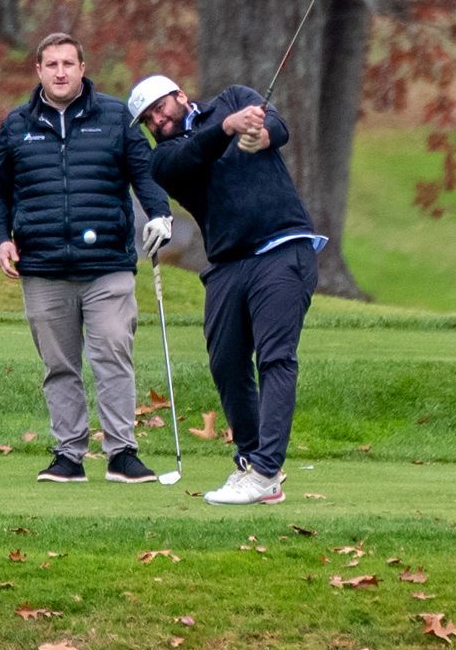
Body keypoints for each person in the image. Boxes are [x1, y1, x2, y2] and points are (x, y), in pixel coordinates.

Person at [0, 33, 176, 484]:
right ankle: (68, 455)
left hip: (107, 264)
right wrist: (0, 240)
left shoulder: (116, 118)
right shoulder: (17, 125)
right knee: (60, 366)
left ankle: (122, 452)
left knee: (112, 352)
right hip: (43, 267)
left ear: (83, 67)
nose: (60, 72)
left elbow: (145, 174)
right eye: (51, 65)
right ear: (38, 71)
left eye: (68, 63)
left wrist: (161, 215)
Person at [127, 74, 324, 507]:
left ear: (180, 94)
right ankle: (255, 462)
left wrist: (262, 133)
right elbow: (196, 155)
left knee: (275, 357)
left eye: (161, 106)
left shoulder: (233, 98)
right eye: (148, 118)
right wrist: (230, 129)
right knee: (226, 362)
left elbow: (281, 128)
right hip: (228, 262)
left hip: (282, 247)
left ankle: (265, 470)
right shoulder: (164, 159)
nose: (158, 119)